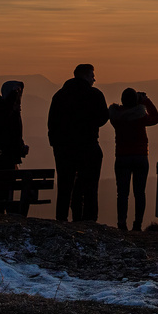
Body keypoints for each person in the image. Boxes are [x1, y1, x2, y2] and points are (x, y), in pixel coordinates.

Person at [47, 63, 108, 222]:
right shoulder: (95, 95)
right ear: (86, 76)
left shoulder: (60, 95)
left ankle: (61, 218)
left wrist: (56, 144)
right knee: (89, 188)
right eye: (92, 76)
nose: (94, 79)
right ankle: (88, 220)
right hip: (89, 147)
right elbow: (102, 118)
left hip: (64, 149)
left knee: (64, 186)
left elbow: (52, 122)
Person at [107, 88, 158, 231]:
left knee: (122, 194)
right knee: (139, 192)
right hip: (140, 157)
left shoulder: (116, 117)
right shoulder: (140, 117)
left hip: (122, 157)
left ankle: (121, 223)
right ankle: (137, 224)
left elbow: (118, 112)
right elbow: (156, 118)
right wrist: (145, 101)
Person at [0, 80, 29, 213]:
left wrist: (20, 146)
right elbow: (6, 132)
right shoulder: (2, 108)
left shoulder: (7, 109)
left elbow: (14, 133)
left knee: (3, 190)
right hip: (2, 158)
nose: (18, 95)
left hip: (8, 157)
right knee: (0, 190)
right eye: (16, 92)